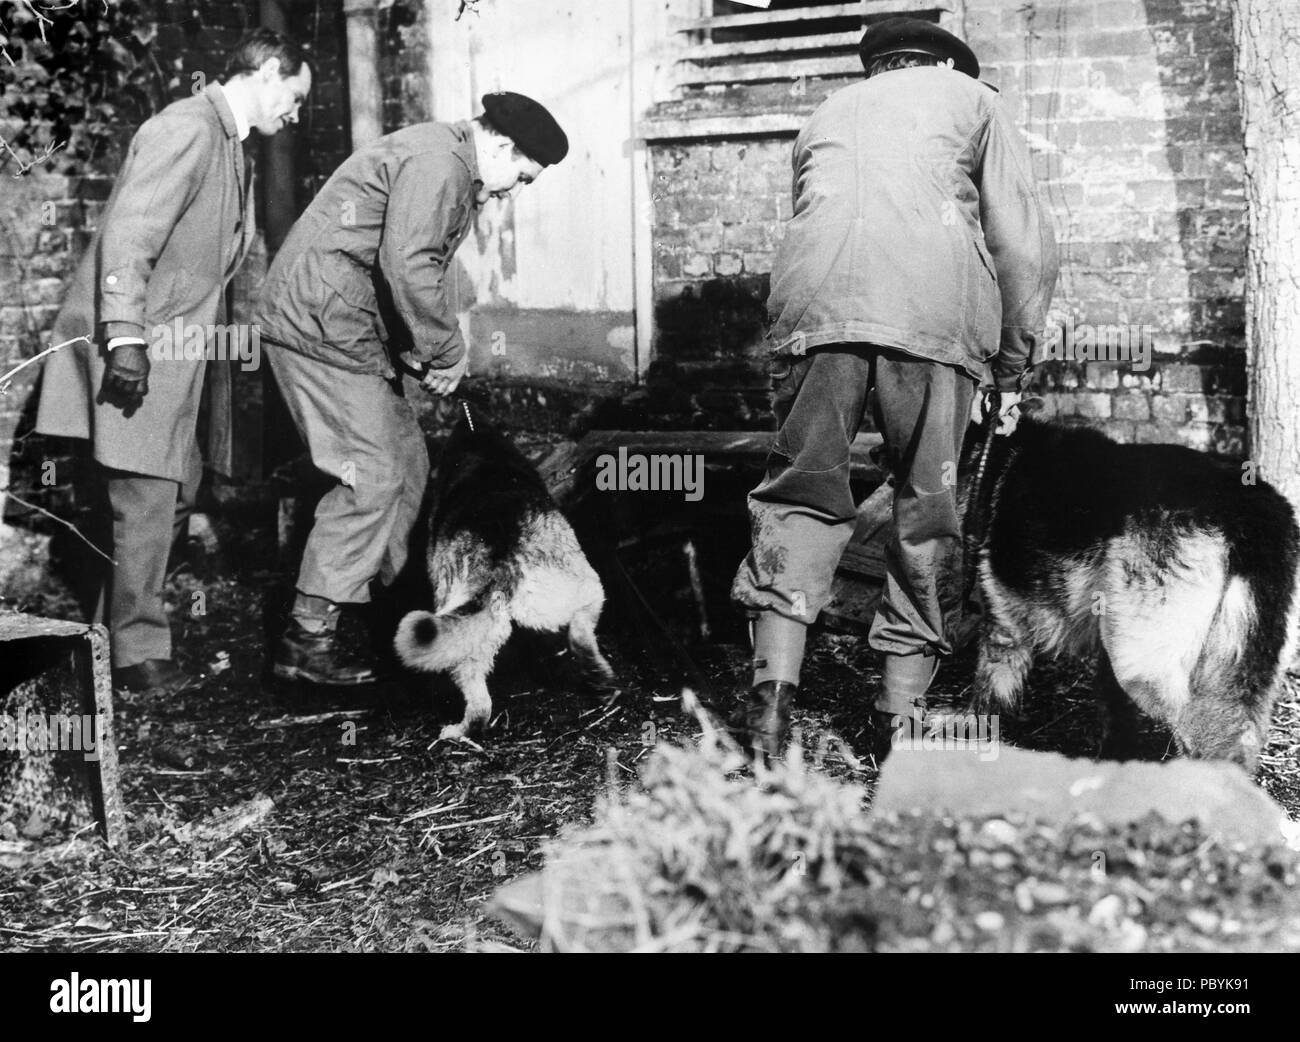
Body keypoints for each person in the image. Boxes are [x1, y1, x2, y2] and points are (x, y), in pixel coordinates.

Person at [730, 18, 1059, 759]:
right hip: (931, 315)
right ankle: (896, 715)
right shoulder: (972, 99)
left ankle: (773, 699)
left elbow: (812, 220)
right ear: (946, 63)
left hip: (815, 314)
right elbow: (1022, 243)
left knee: (798, 492)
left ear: (876, 66)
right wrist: (1012, 364)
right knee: (925, 504)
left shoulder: (826, 113)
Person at [256, 91, 568, 685]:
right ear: (502, 146)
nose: (514, 191)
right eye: (521, 176)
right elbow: (410, 264)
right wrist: (446, 350)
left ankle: (398, 618)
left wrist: (417, 349)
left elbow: (391, 261)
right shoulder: (440, 165)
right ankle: (307, 640)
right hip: (318, 330)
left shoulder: (445, 159)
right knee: (370, 473)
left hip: (345, 329)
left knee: (408, 460)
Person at [36, 29, 312, 697]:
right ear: (269, 72)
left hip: (173, 352)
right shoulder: (187, 128)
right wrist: (126, 337)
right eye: (296, 97)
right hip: (140, 348)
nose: (297, 113)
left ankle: (100, 643)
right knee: (148, 495)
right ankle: (136, 654)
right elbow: (131, 233)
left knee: (173, 487)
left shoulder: (226, 142)